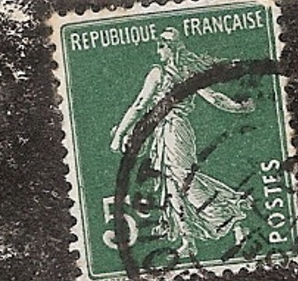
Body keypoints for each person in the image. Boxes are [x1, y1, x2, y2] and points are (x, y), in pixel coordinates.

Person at [109, 28, 255, 258]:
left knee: (183, 181)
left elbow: (139, 104)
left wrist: (120, 134)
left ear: (172, 48)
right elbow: (214, 98)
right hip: (169, 131)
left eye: (161, 45)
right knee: (173, 182)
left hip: (173, 132)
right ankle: (190, 239)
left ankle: (228, 217)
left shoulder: (159, 73)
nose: (158, 51)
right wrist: (237, 107)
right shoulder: (187, 73)